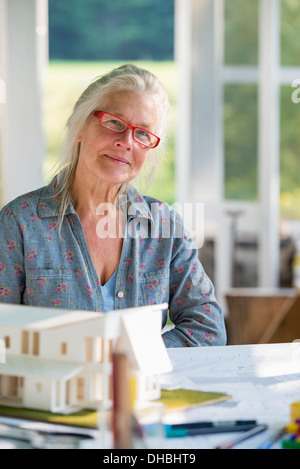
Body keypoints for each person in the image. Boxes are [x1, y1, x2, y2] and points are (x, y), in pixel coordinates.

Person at [0, 64, 226, 347]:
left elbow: (207, 327)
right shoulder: (19, 223)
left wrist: (136, 358)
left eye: (143, 133)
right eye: (114, 122)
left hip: (140, 390)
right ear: (80, 126)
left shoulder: (164, 227)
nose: (125, 142)